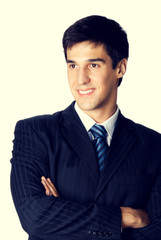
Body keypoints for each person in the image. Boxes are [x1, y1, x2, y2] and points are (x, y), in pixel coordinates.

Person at [10, 15, 161, 240]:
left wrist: (62, 217)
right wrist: (123, 218)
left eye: (93, 64)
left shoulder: (153, 144)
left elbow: (157, 231)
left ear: (120, 68)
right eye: (72, 65)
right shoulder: (35, 132)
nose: (80, 79)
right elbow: (34, 216)